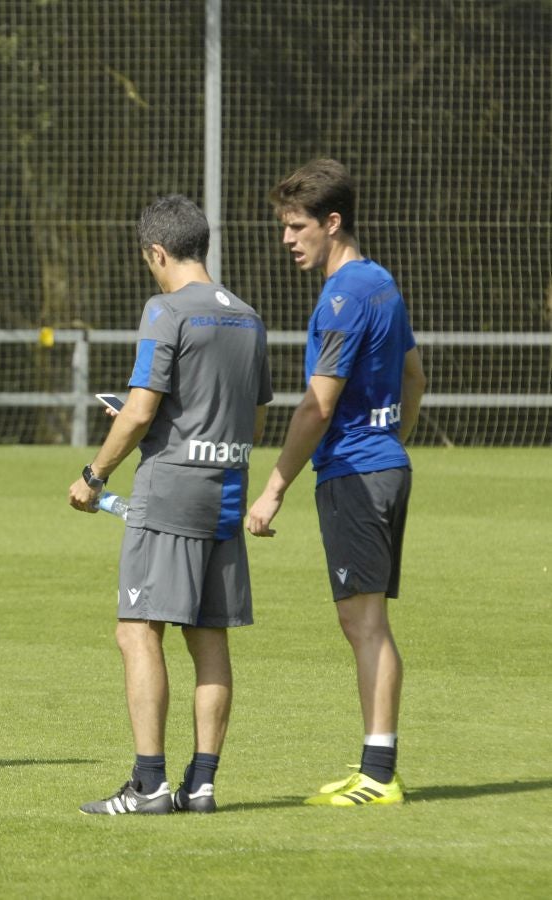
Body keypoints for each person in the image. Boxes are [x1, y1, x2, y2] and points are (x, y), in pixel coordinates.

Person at [69, 195, 272, 816]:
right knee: (209, 639)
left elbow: (139, 410)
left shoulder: (164, 310)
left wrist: (93, 475)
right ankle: (203, 784)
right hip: (227, 490)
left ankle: (150, 784)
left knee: (137, 632)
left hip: (171, 490)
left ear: (157, 252)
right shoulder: (248, 317)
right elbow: (256, 416)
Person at [247, 159, 426, 807]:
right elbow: (414, 379)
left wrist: (271, 488)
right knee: (366, 624)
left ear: (332, 222)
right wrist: (392, 443)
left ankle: (378, 776)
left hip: (352, 472)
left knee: (364, 626)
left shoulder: (343, 298)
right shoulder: (382, 282)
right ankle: (373, 767)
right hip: (383, 465)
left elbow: (315, 407)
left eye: (296, 227)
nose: (287, 239)